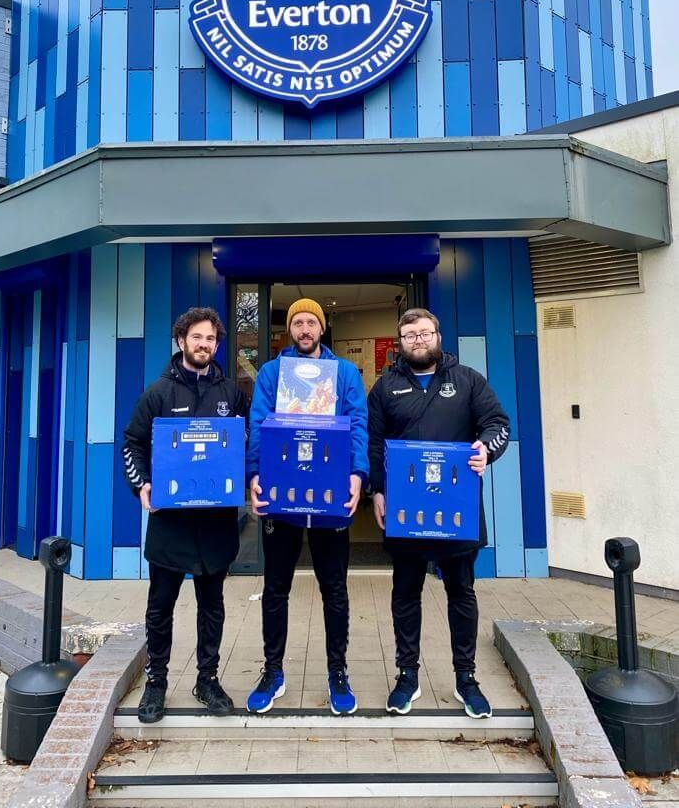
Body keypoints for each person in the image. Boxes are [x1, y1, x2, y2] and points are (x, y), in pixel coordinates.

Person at [367, 308, 509, 718]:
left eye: (425, 333)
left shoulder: (467, 380)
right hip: (406, 511)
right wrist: (377, 491)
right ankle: (407, 675)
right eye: (410, 335)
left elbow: (497, 423)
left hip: (456, 511)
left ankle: (466, 678)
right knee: (405, 593)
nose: (418, 340)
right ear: (400, 343)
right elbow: (374, 442)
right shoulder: (386, 387)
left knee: (461, 592)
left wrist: (486, 449)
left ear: (437, 336)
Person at [123, 307, 248, 724]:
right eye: (197, 337)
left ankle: (207, 680)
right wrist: (142, 484)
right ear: (181, 341)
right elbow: (132, 443)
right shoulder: (158, 393)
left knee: (212, 606)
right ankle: (156, 682)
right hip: (171, 524)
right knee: (161, 606)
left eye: (211, 338)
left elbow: (243, 444)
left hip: (216, 523)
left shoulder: (231, 393)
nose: (204, 345)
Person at [246, 298, 368, 715]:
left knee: (334, 589)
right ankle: (273, 671)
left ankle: (338, 672)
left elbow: (358, 425)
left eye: (310, 322)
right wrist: (254, 475)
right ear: (290, 330)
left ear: (321, 328)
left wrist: (358, 473)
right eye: (297, 322)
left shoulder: (344, 373)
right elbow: (259, 424)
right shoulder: (271, 373)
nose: (304, 329)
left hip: (330, 497)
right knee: (275, 588)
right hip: (283, 496)